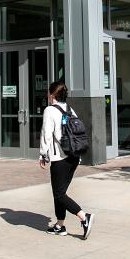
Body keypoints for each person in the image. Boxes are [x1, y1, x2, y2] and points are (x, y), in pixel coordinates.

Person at [39, 80, 94, 239]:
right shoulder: (70, 109)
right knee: (60, 192)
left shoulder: (50, 110)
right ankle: (60, 225)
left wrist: (43, 154)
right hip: (74, 157)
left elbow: (46, 135)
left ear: (51, 95)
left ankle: (84, 217)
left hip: (60, 158)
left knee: (59, 194)